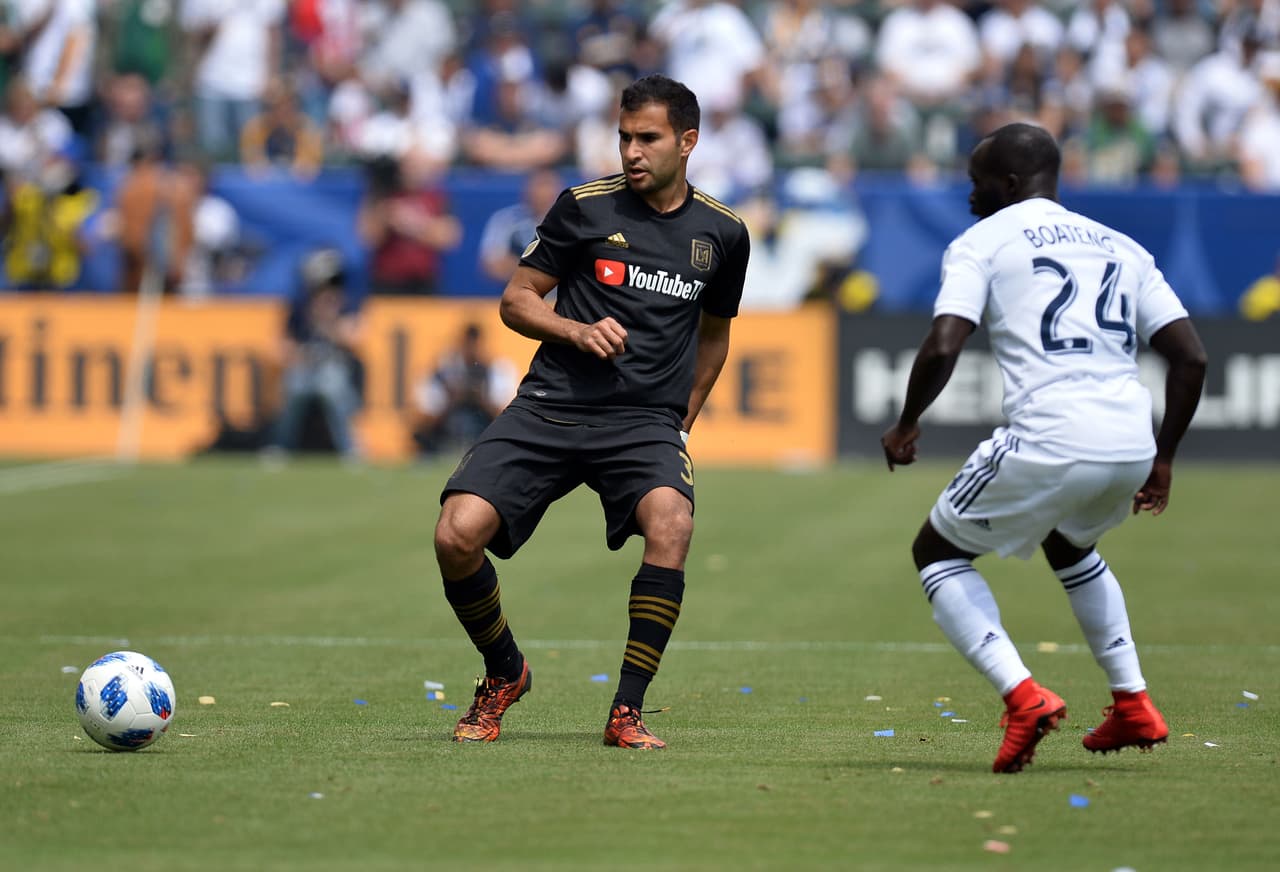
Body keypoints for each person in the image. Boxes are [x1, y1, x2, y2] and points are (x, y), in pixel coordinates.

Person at [433, 74, 750, 749]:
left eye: (649, 138)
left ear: (687, 141)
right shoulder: (583, 207)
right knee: (455, 535)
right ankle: (504, 672)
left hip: (642, 424)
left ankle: (626, 712)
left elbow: (716, 337)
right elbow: (516, 300)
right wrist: (576, 331)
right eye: (624, 137)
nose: (633, 151)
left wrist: (679, 422)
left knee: (673, 524)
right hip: (551, 405)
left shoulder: (723, 233)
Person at [880, 123, 1207, 774]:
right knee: (1070, 543)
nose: (969, 197)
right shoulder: (1125, 248)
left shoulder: (982, 241)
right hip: (1129, 440)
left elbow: (945, 342)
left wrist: (907, 420)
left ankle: (1023, 696)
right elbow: (1191, 358)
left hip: (1051, 432)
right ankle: (1133, 701)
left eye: (976, 184)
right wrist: (1163, 458)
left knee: (936, 553)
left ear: (1008, 183)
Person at [266, 248, 363, 459]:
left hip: (335, 368)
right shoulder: (300, 308)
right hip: (305, 367)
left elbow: (353, 339)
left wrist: (328, 321)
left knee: (334, 389)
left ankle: (351, 449)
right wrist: (298, 356)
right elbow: (283, 347)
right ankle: (280, 447)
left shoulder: (346, 305)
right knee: (292, 387)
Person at [409, 322, 518, 456]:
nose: (471, 349)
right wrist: (454, 398)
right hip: (446, 440)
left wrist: (480, 398)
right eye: (467, 344)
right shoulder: (444, 372)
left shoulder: (497, 371)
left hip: (483, 440)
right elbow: (424, 422)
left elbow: (506, 420)